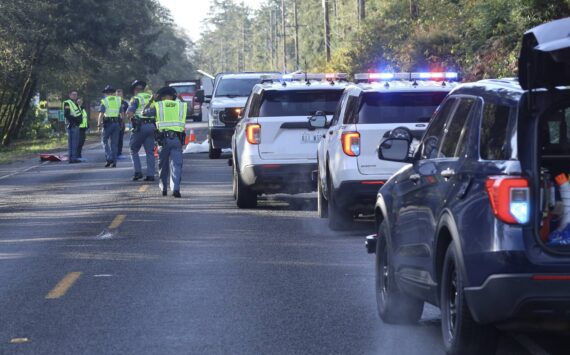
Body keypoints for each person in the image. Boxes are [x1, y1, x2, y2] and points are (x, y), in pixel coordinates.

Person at [143, 86, 187, 197]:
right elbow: (190, 109)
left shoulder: (158, 105)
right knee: (177, 165)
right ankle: (175, 188)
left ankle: (163, 188)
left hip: (163, 140)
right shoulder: (181, 105)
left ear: (160, 96)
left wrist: (151, 100)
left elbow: (144, 112)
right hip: (177, 139)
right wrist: (181, 100)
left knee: (163, 165)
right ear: (174, 96)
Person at [127, 80, 155, 181]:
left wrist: (131, 119)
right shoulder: (151, 97)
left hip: (140, 127)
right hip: (152, 126)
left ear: (135, 90)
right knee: (150, 152)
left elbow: (130, 113)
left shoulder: (136, 98)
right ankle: (151, 175)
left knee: (133, 149)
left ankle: (138, 172)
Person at [97, 85, 124, 167]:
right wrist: (122, 123)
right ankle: (114, 162)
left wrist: (98, 125)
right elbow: (122, 113)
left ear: (106, 93)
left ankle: (109, 157)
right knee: (114, 143)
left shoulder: (104, 101)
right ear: (113, 92)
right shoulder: (118, 100)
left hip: (108, 124)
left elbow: (101, 114)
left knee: (104, 140)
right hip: (116, 123)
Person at [62, 90, 82, 164]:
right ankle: (73, 158)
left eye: (76, 95)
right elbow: (66, 114)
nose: (75, 96)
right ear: (69, 95)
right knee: (73, 143)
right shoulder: (67, 103)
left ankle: (72, 158)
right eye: (73, 94)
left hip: (75, 125)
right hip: (72, 125)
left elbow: (78, 113)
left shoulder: (75, 103)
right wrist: (75, 120)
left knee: (73, 143)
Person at [116, 89, 129, 159]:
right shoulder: (113, 102)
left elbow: (128, 113)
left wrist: (125, 121)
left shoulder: (125, 103)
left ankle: (119, 153)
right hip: (114, 122)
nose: (118, 95)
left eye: (120, 94)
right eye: (117, 94)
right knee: (114, 139)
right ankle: (114, 152)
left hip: (121, 122)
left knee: (120, 138)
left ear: (122, 94)